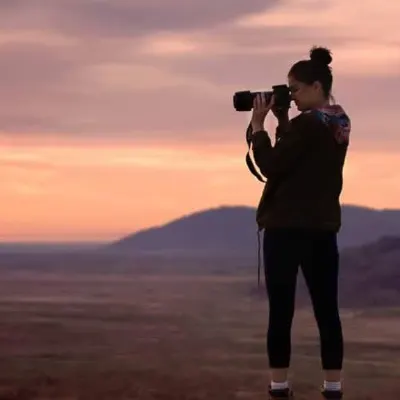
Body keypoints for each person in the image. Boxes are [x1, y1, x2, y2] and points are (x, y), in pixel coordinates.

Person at [249, 46, 351, 400]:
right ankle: (333, 387)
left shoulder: (307, 124)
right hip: (322, 228)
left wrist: (258, 126)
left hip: (286, 228)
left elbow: (273, 165)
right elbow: (299, 157)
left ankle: (279, 387)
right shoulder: (338, 121)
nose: (290, 97)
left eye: (294, 90)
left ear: (316, 86)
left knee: (282, 310)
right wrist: (282, 121)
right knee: (327, 310)